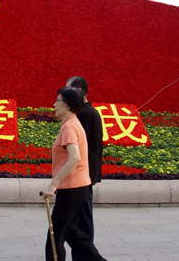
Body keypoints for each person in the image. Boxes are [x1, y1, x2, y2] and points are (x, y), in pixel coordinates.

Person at [42, 86, 106, 261]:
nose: (54, 105)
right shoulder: (73, 123)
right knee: (73, 235)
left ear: (68, 105)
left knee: (54, 239)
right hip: (77, 186)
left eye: (58, 101)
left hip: (72, 188)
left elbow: (74, 158)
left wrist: (53, 183)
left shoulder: (69, 127)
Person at [66, 76, 103, 261]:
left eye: (68, 90)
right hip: (86, 173)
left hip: (83, 174)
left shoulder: (84, 114)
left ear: (79, 90)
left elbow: (79, 149)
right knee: (81, 219)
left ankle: (86, 256)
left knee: (82, 221)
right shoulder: (89, 112)